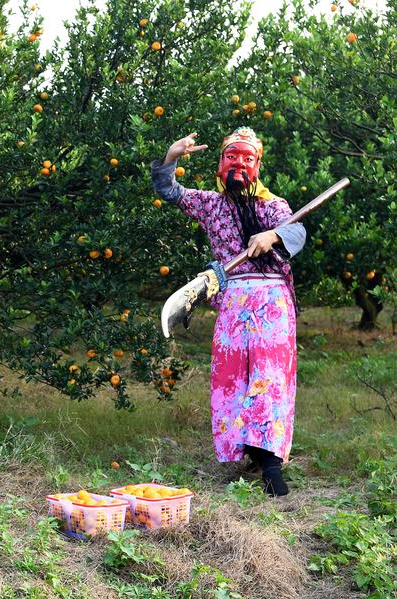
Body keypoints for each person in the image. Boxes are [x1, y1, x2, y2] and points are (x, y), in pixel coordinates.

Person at [151, 127, 306, 496]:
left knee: (269, 378)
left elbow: (297, 234)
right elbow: (169, 191)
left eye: (246, 159)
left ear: (257, 165)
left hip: (271, 301)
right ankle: (248, 453)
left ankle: (271, 465)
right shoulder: (210, 204)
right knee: (233, 378)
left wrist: (274, 236)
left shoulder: (274, 206)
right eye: (231, 157)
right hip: (233, 298)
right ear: (221, 162)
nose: (238, 164)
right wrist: (170, 159)